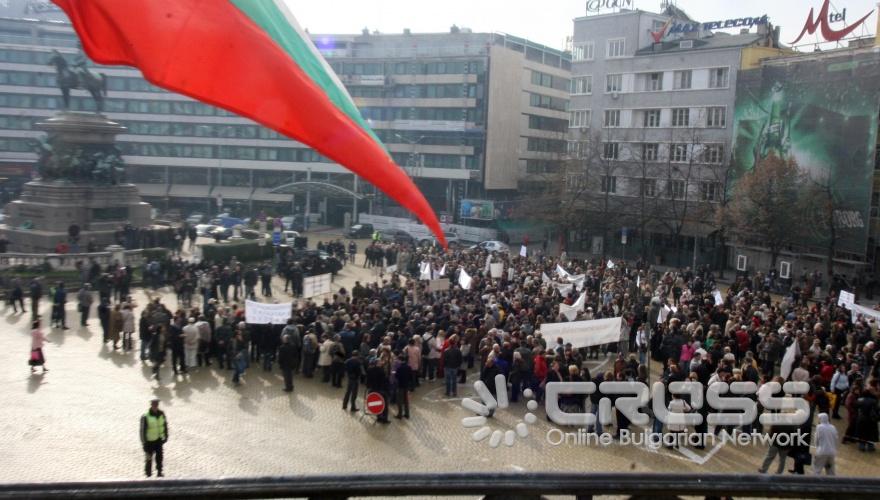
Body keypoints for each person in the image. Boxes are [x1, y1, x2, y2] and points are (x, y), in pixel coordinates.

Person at [139, 399, 168, 477]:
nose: (155, 407)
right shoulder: (145, 416)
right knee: (149, 458)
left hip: (158, 440)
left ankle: (159, 472)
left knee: (159, 457)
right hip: (149, 441)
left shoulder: (161, 414)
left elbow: (164, 425)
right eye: (154, 405)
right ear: (151, 405)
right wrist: (144, 442)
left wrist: (166, 436)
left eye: (156, 405)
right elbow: (142, 430)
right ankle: (148, 473)